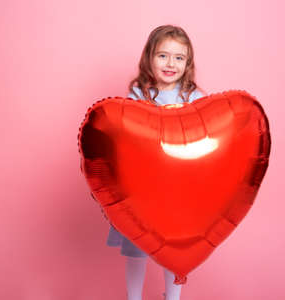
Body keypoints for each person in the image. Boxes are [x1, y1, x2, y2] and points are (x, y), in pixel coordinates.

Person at [106, 24, 206, 300]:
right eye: (162, 55)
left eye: (178, 57)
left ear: (188, 63)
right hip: (143, 188)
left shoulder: (195, 99)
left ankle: (172, 299)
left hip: (178, 189)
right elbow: (128, 135)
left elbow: (206, 137)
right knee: (137, 251)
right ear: (149, 58)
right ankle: (134, 298)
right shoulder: (139, 94)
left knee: (174, 251)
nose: (170, 63)